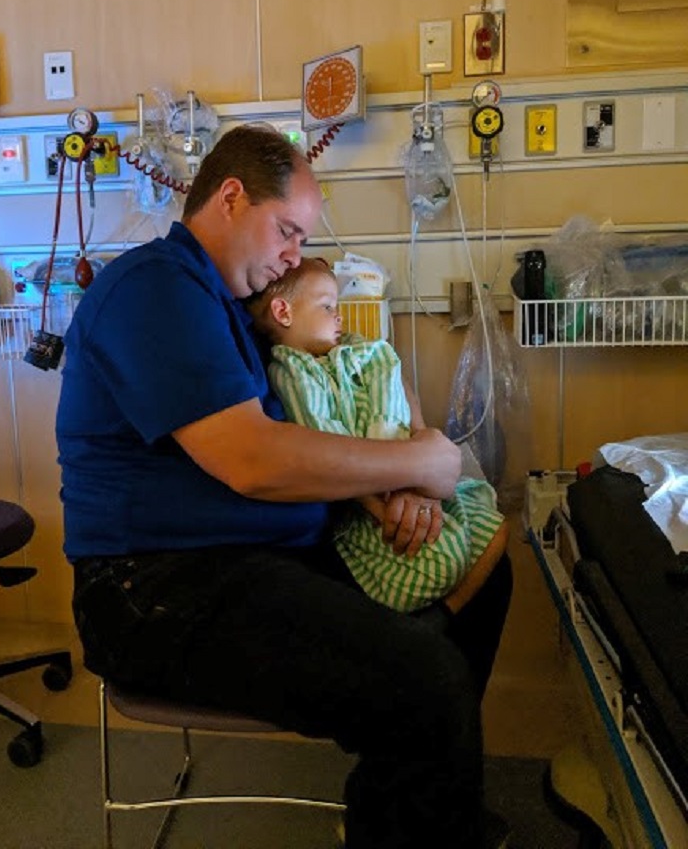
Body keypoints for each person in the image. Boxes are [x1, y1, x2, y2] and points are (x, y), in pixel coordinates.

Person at [56, 123, 513, 849]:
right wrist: (415, 466)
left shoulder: (226, 309)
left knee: (486, 569)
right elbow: (256, 460)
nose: (295, 257)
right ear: (232, 197)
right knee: (423, 681)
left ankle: (422, 794)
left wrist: (397, 488)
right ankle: (422, 764)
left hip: (259, 557)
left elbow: (318, 422)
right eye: (289, 232)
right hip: (156, 586)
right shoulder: (155, 289)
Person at [248, 256, 509, 615]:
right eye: (327, 307)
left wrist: (418, 478)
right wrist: (387, 502)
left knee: (497, 531)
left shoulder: (349, 349)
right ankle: (435, 622)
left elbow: (390, 372)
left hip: (411, 472)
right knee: (443, 561)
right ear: (283, 312)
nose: (338, 316)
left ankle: (443, 618)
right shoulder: (294, 371)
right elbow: (325, 440)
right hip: (370, 500)